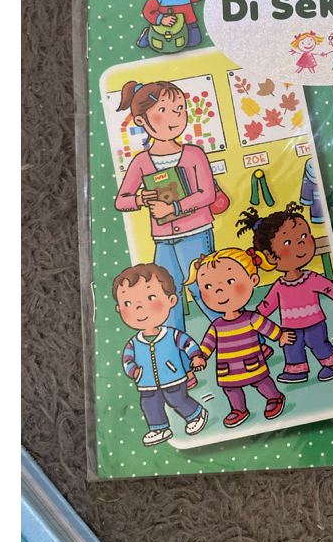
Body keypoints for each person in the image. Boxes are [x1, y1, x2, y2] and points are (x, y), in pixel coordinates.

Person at [114, 79, 219, 329]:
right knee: (167, 292)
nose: (175, 117)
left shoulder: (193, 154)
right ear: (141, 120)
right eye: (163, 110)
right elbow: (121, 200)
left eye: (179, 108)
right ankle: (175, 342)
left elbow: (207, 194)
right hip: (162, 239)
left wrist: (174, 208)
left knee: (202, 287)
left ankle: (234, 333)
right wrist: (141, 198)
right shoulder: (141, 161)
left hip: (196, 233)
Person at [237, 203, 333, 383]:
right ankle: (296, 370)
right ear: (270, 256)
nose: (301, 243)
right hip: (289, 325)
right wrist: (254, 317)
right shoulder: (279, 286)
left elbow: (330, 289)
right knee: (291, 347)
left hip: (314, 322)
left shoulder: (311, 277)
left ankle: (331, 363)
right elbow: (268, 304)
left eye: (304, 236)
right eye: (288, 242)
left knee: (318, 343)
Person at [188, 249, 295, 429]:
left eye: (230, 282)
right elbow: (208, 343)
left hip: (251, 362)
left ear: (253, 280)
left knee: (260, 380)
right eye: (208, 287)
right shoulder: (216, 325)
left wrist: (280, 335)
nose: (219, 291)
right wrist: (201, 356)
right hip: (227, 368)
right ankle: (238, 410)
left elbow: (266, 326)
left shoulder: (251, 318)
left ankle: (274, 397)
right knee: (230, 388)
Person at [114, 263, 209, 446]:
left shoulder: (171, 334)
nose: (139, 308)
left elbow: (187, 343)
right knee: (149, 405)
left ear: (171, 300)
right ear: (119, 308)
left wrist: (195, 356)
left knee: (177, 399)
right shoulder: (133, 343)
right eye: (128, 303)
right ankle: (159, 428)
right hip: (146, 382)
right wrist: (134, 371)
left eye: (150, 298)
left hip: (173, 377)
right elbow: (127, 360)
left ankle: (196, 414)